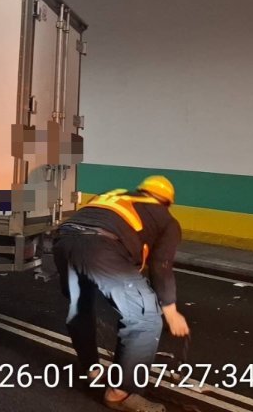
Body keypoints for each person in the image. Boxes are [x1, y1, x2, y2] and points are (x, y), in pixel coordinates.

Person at [53, 175, 190, 412]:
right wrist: (170, 310)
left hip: (64, 241)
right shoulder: (166, 220)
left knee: (80, 306)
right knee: (145, 316)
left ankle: (92, 369)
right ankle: (120, 393)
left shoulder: (113, 196)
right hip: (101, 247)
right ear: (167, 202)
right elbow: (161, 266)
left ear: (142, 191)